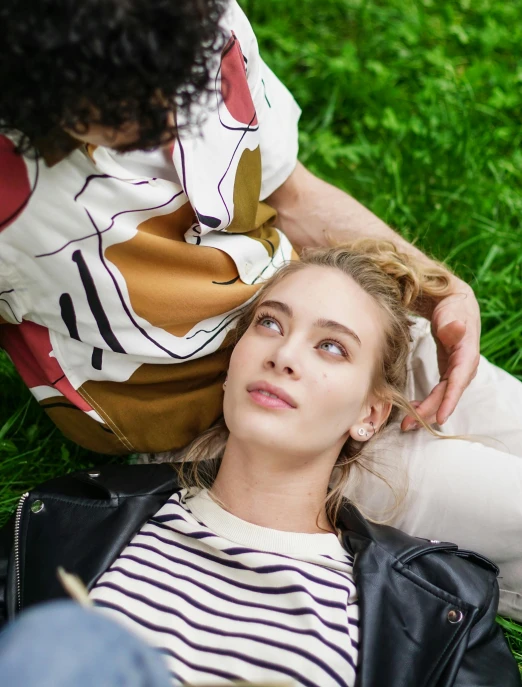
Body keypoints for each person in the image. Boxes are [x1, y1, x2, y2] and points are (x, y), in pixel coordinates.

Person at [0, 0, 521, 620]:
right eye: (124, 110)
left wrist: (431, 285)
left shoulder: (182, 11)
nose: (169, 116)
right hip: (227, 426)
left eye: (180, 79)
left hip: (327, 318)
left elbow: (291, 191)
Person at [0, 242, 519, 686]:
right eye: (270, 323)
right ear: (232, 362)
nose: (285, 354)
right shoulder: (63, 517)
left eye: (332, 347)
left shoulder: (440, 605)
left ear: (369, 414)